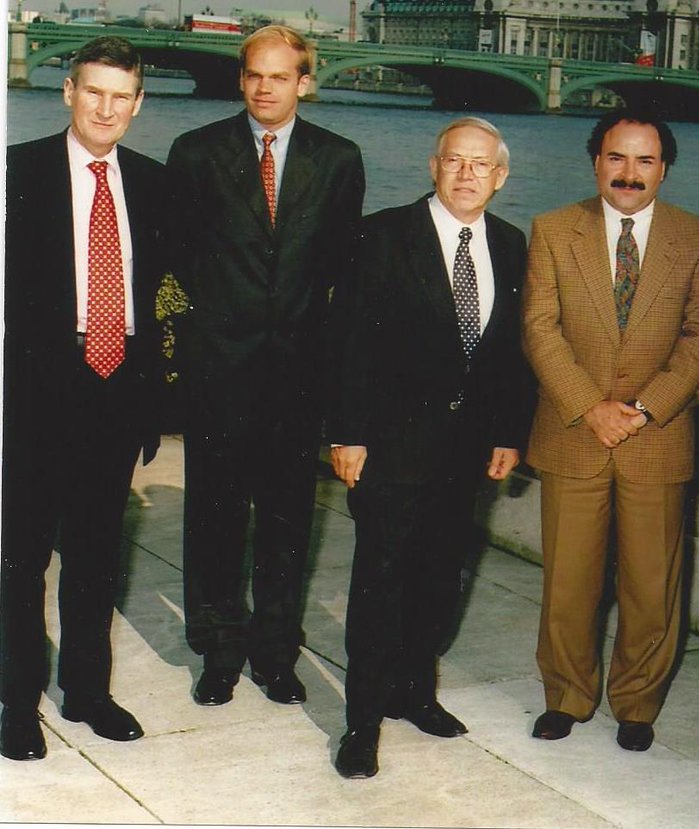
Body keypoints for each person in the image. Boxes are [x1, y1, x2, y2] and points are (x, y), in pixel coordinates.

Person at [326, 117, 533, 779]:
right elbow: (351, 338)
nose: (467, 174)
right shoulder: (384, 234)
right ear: (433, 166)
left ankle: (415, 692)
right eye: (455, 161)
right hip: (391, 445)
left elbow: (508, 353)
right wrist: (348, 431)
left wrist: (507, 431)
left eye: (481, 164)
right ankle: (361, 723)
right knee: (380, 582)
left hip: (465, 450)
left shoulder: (508, 242)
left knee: (439, 579)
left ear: (500, 177)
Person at [167, 24, 365, 707]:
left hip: (298, 374)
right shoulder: (196, 153)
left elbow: (342, 270)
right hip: (219, 367)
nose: (264, 88)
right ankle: (218, 648)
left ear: (304, 82)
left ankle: (277, 653)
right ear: (241, 78)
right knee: (215, 514)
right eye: (254, 75)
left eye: (279, 77)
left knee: (287, 520)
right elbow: (179, 257)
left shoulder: (339, 161)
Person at [522, 109, 699, 751]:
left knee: (651, 585)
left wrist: (643, 407)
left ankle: (637, 703)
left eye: (644, 160)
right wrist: (591, 406)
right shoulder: (553, 231)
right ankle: (567, 696)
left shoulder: (698, 238)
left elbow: (698, 339)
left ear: (664, 167)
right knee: (568, 581)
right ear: (595, 162)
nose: (629, 173)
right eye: (616, 158)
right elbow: (539, 329)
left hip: (655, 435)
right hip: (573, 432)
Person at [1, 36, 166, 761]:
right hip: (35, 390)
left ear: (137, 104)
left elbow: (167, 296)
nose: (106, 108)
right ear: (67, 92)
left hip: (115, 390)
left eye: (120, 96)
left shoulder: (156, 184)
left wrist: (154, 391)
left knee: (98, 554)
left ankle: (89, 691)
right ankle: (15, 700)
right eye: (92, 91)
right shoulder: (17, 171)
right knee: (21, 555)